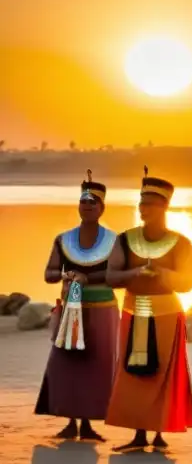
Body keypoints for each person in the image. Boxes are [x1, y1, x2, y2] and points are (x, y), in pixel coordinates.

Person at [105, 170, 192, 452]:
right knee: (133, 374)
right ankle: (138, 433)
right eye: (141, 203)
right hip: (134, 312)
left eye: (149, 203)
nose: (143, 208)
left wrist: (160, 273)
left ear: (164, 206)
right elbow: (112, 276)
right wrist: (136, 271)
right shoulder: (125, 239)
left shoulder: (181, 242)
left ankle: (159, 431)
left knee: (162, 374)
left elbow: (186, 282)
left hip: (166, 314)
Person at [34, 171, 119, 442]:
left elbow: (116, 276)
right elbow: (48, 272)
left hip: (102, 309)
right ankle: (71, 421)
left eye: (93, 201)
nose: (88, 206)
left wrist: (87, 277)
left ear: (102, 208)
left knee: (97, 365)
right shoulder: (63, 239)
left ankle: (89, 423)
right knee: (68, 364)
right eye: (84, 201)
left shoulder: (113, 241)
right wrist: (65, 276)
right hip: (71, 309)